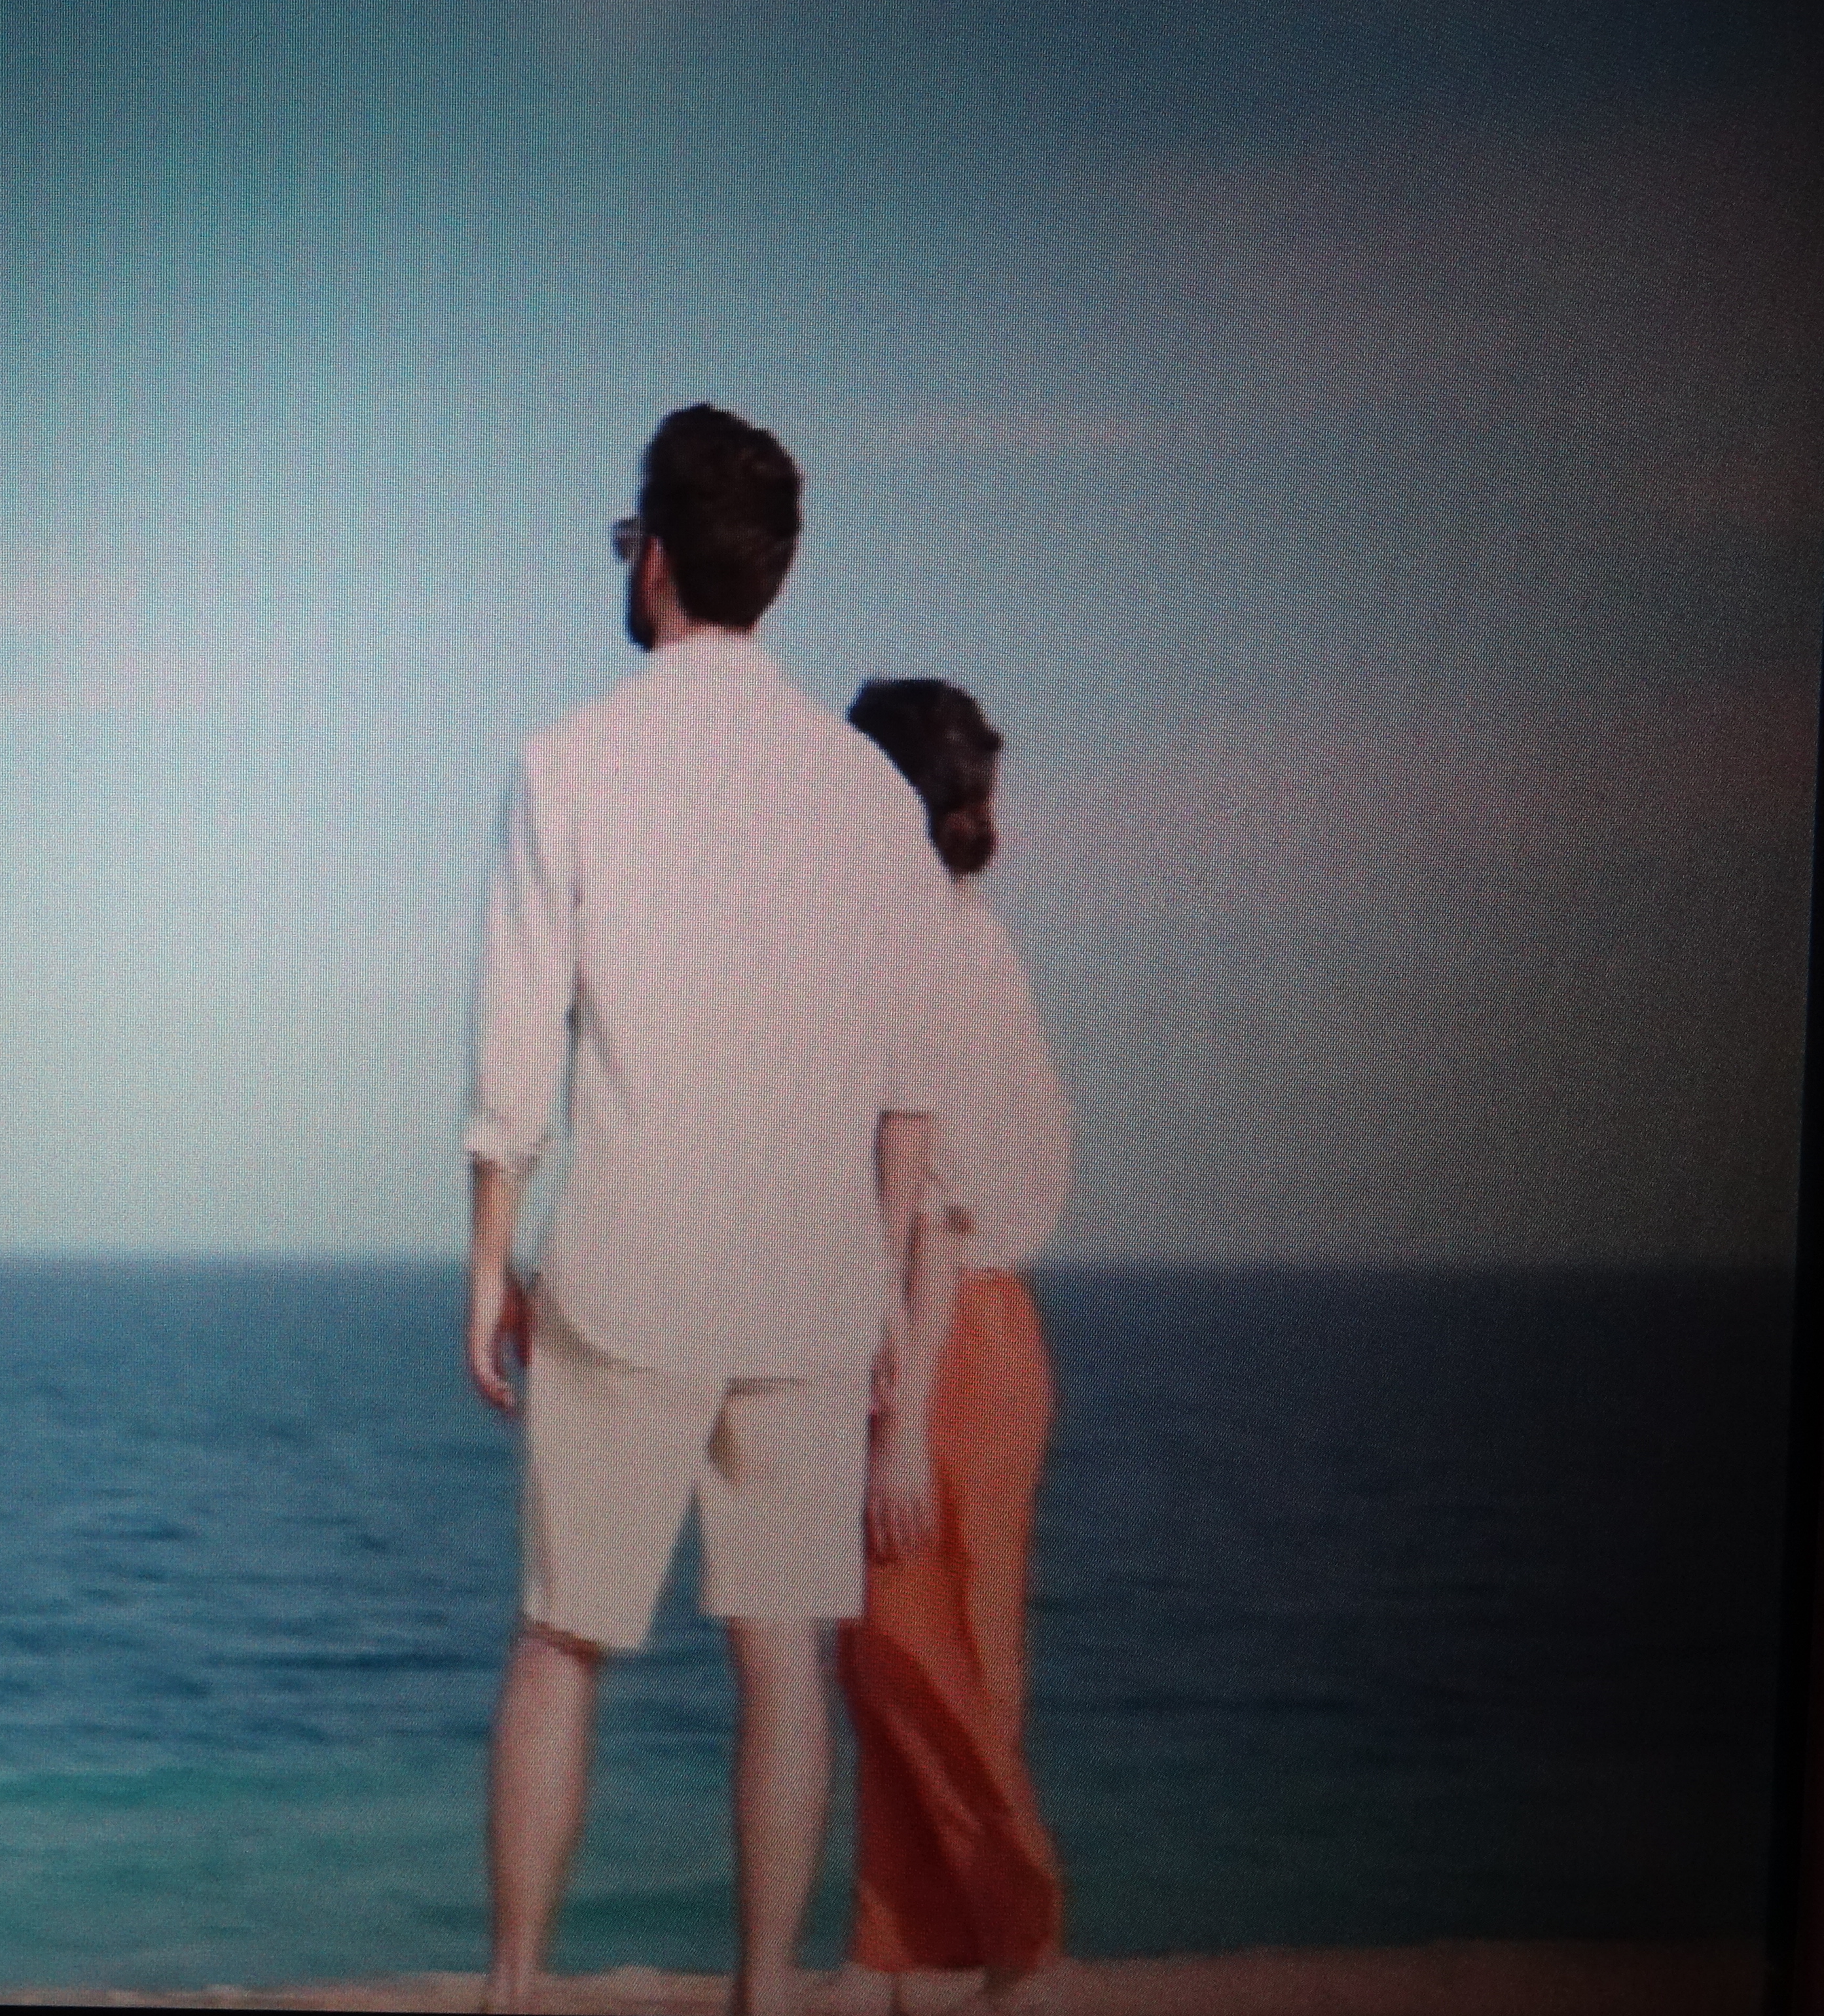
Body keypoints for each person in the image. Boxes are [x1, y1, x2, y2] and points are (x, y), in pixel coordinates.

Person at [464, 405, 960, 2016]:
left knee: (564, 1643)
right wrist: (890, 1298)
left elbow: (514, 1039)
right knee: (783, 1659)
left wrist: (489, 1259)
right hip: (808, 1285)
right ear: (779, 577)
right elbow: (907, 1082)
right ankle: (763, 1994)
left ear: (655, 557)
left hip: (629, 1272)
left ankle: (519, 1988)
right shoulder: (868, 796)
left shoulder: (571, 762)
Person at [836, 678, 1075, 2016]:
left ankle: (1014, 1930)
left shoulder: (925, 950)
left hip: (954, 1324)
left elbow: (940, 1204)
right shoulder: (963, 937)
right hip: (980, 1323)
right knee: (922, 1641)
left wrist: (897, 1410)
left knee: (922, 1649)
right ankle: (904, 1952)